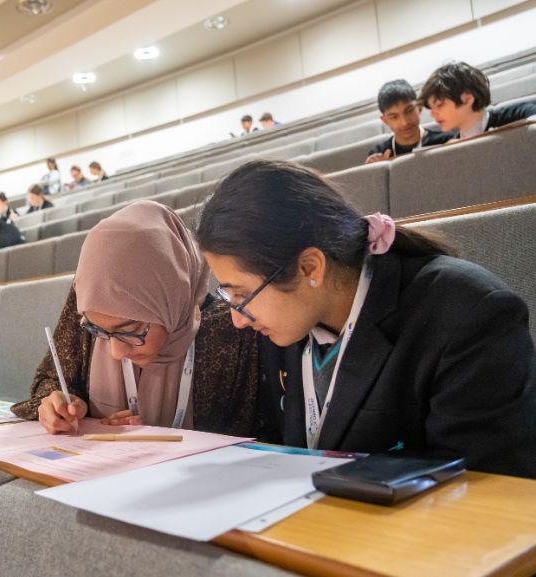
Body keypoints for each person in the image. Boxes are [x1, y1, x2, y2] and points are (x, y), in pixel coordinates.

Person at [195, 159, 536, 479]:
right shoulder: (287, 325)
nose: (238, 320)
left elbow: (487, 487)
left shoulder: (467, 315)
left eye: (241, 295)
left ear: (310, 268)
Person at [11, 200, 261, 437]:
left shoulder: (232, 330)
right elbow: (50, 380)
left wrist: (159, 436)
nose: (116, 352)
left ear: (170, 296)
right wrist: (59, 405)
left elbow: (248, 437)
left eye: (130, 329)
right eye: (101, 332)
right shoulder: (89, 310)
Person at [419, 61, 536, 138]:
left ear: (467, 99)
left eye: (439, 105)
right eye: (431, 108)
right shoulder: (451, 146)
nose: (433, 114)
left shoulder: (520, 114)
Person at [366, 79, 455, 163]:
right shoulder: (379, 154)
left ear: (419, 107)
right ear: (385, 120)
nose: (404, 122)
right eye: (394, 117)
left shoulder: (446, 141)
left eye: (409, 111)